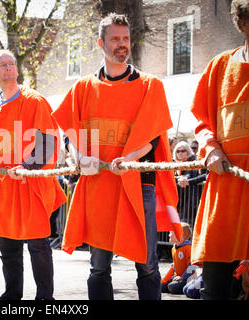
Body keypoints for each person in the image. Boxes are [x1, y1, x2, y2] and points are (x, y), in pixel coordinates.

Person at [51, 13, 181, 300]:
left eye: (126, 38)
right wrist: (80, 156)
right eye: (115, 39)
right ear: (101, 43)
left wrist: (130, 158)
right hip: (99, 186)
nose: (122, 44)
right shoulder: (83, 88)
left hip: (139, 184)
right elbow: (69, 134)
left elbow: (153, 137)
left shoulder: (150, 85)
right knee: (98, 267)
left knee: (147, 266)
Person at [190, 0, 249, 300]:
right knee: (215, 287)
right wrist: (210, 148)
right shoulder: (219, 67)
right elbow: (202, 122)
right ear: (243, 24)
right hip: (224, 191)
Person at [0, 49, 66, 300]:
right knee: (8, 245)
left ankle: (45, 299)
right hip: (4, 186)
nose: (9, 68)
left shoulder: (34, 101)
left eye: (12, 64)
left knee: (38, 245)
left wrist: (27, 167)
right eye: (2, 65)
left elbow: (47, 141)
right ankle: (12, 296)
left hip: (31, 183)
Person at [173, 141, 207, 225]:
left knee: (188, 229)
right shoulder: (175, 165)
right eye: (178, 151)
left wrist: (187, 181)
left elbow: (192, 174)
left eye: (183, 151)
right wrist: (180, 178)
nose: (180, 153)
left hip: (191, 205)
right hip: (180, 204)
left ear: (188, 151)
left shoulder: (194, 162)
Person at [161, 223, 196, 294]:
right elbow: (174, 266)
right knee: (161, 286)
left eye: (171, 233)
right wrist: (164, 280)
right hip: (177, 276)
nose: (169, 235)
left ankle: (188, 286)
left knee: (172, 287)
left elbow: (192, 266)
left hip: (187, 278)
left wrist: (183, 277)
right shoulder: (174, 248)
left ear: (180, 235)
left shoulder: (188, 248)